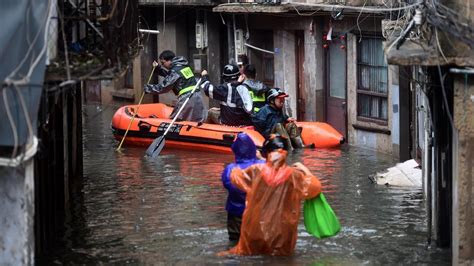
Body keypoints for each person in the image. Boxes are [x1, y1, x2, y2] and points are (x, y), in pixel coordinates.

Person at [220, 134, 322, 256]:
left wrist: (253, 162)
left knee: (250, 254)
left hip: (257, 226)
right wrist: (305, 170)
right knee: (282, 257)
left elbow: (234, 178)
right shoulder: (294, 175)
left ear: (265, 153)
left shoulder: (256, 170)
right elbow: (314, 187)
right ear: (286, 153)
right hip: (283, 228)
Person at [221, 133, 265, 242]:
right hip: (257, 213)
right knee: (257, 241)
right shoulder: (263, 165)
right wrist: (261, 158)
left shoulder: (231, 169)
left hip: (235, 213)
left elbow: (227, 184)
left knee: (235, 240)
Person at [143, 50, 207, 122]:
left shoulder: (175, 71)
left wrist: (148, 88)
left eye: (163, 63)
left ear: (170, 60)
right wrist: (159, 69)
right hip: (197, 96)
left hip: (187, 98)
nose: (163, 65)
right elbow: (172, 77)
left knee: (176, 121)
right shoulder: (184, 66)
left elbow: (164, 87)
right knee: (196, 120)